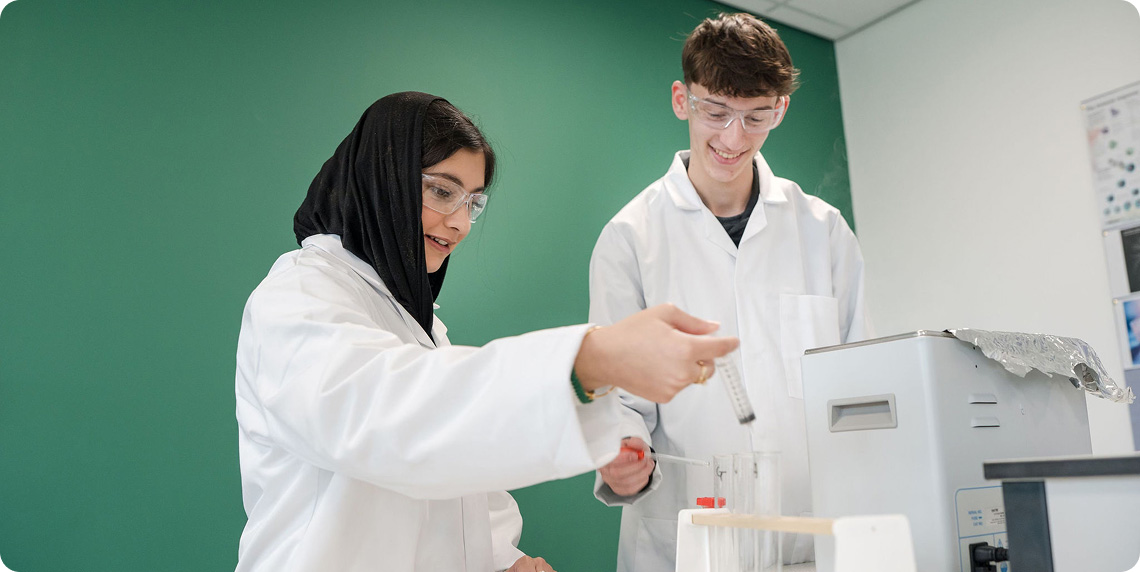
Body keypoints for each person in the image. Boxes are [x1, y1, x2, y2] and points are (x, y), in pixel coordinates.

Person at [233, 92, 739, 572]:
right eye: (441, 191)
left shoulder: (417, 323)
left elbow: (455, 461)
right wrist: (592, 360)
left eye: (472, 202)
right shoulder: (298, 297)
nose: (460, 223)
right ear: (381, 179)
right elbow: (398, 419)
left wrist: (502, 556)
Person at [589, 14, 873, 571]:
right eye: (715, 112)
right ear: (682, 99)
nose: (732, 137)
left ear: (780, 111)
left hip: (809, 543)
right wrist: (623, 455)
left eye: (755, 117)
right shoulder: (630, 238)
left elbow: (860, 386)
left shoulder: (824, 231)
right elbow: (616, 397)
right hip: (683, 545)